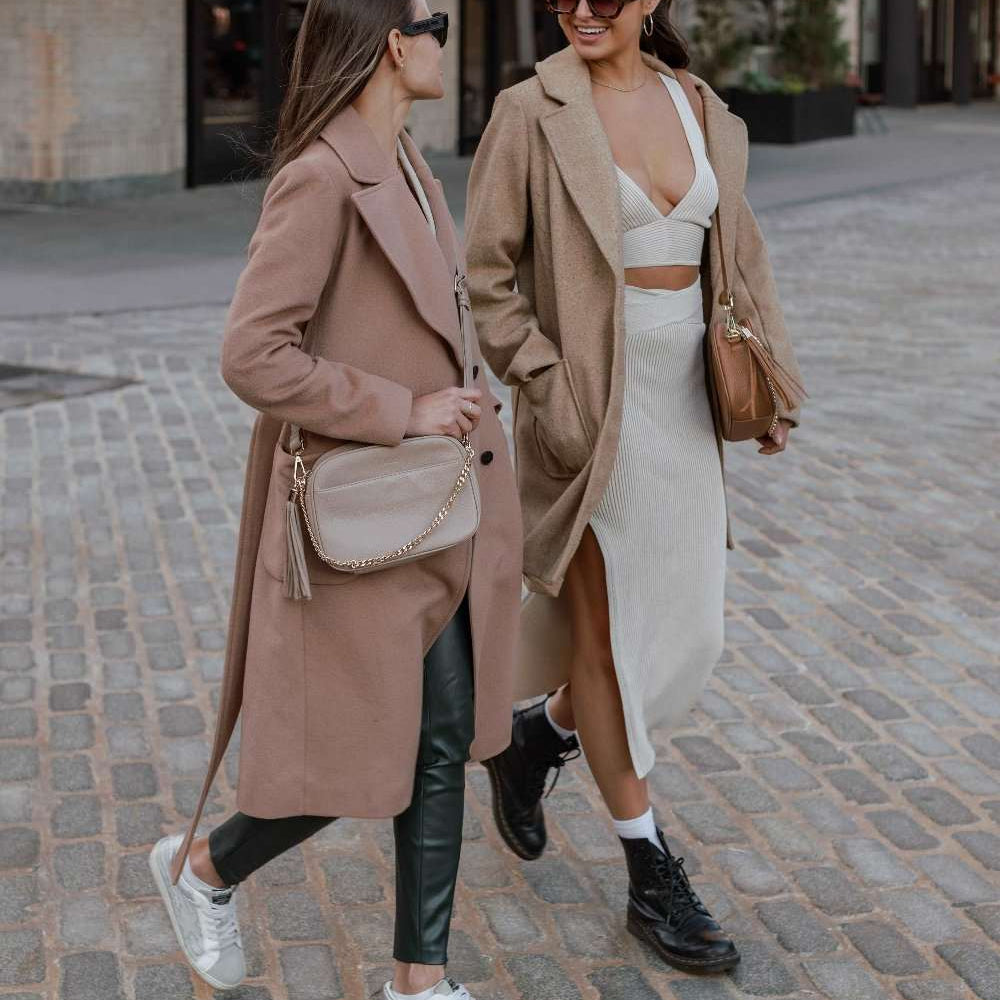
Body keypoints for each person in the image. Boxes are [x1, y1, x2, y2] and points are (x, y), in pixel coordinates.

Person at [148, 4, 522, 999]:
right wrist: (403, 407)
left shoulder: (405, 164)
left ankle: (417, 980)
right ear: (396, 42)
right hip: (362, 511)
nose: (447, 34)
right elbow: (252, 355)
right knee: (371, 743)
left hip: (431, 505)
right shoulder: (320, 177)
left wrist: (457, 401)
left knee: (439, 737)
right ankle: (201, 867)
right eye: (436, 19)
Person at [465, 0, 804, 974]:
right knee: (610, 638)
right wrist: (544, 381)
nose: (578, 11)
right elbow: (486, 274)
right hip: (590, 421)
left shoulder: (698, 104)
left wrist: (770, 382)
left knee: (689, 637)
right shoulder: (531, 111)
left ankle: (539, 740)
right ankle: (649, 867)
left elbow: (737, 257)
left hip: (686, 408)